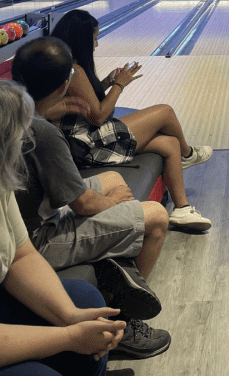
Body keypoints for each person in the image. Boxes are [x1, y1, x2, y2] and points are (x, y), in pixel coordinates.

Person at [12, 39, 172, 360]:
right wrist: (116, 203)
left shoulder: (14, 110)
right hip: (37, 240)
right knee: (155, 217)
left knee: (113, 178)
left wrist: (112, 196)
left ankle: (114, 262)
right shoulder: (43, 134)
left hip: (33, 215)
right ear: (64, 86)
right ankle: (126, 321)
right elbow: (82, 205)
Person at [0, 80, 126, 376]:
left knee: (83, 301)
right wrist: (68, 337)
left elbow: (22, 255)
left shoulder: (2, 183)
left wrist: (70, 317)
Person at [47, 11, 213, 231]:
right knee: (165, 112)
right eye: (93, 38)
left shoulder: (65, 64)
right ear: (81, 39)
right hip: (87, 145)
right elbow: (97, 117)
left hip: (82, 139)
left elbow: (86, 105)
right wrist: (120, 85)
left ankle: (182, 209)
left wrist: (106, 82)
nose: (96, 44)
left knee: (168, 143)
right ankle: (188, 154)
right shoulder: (73, 70)